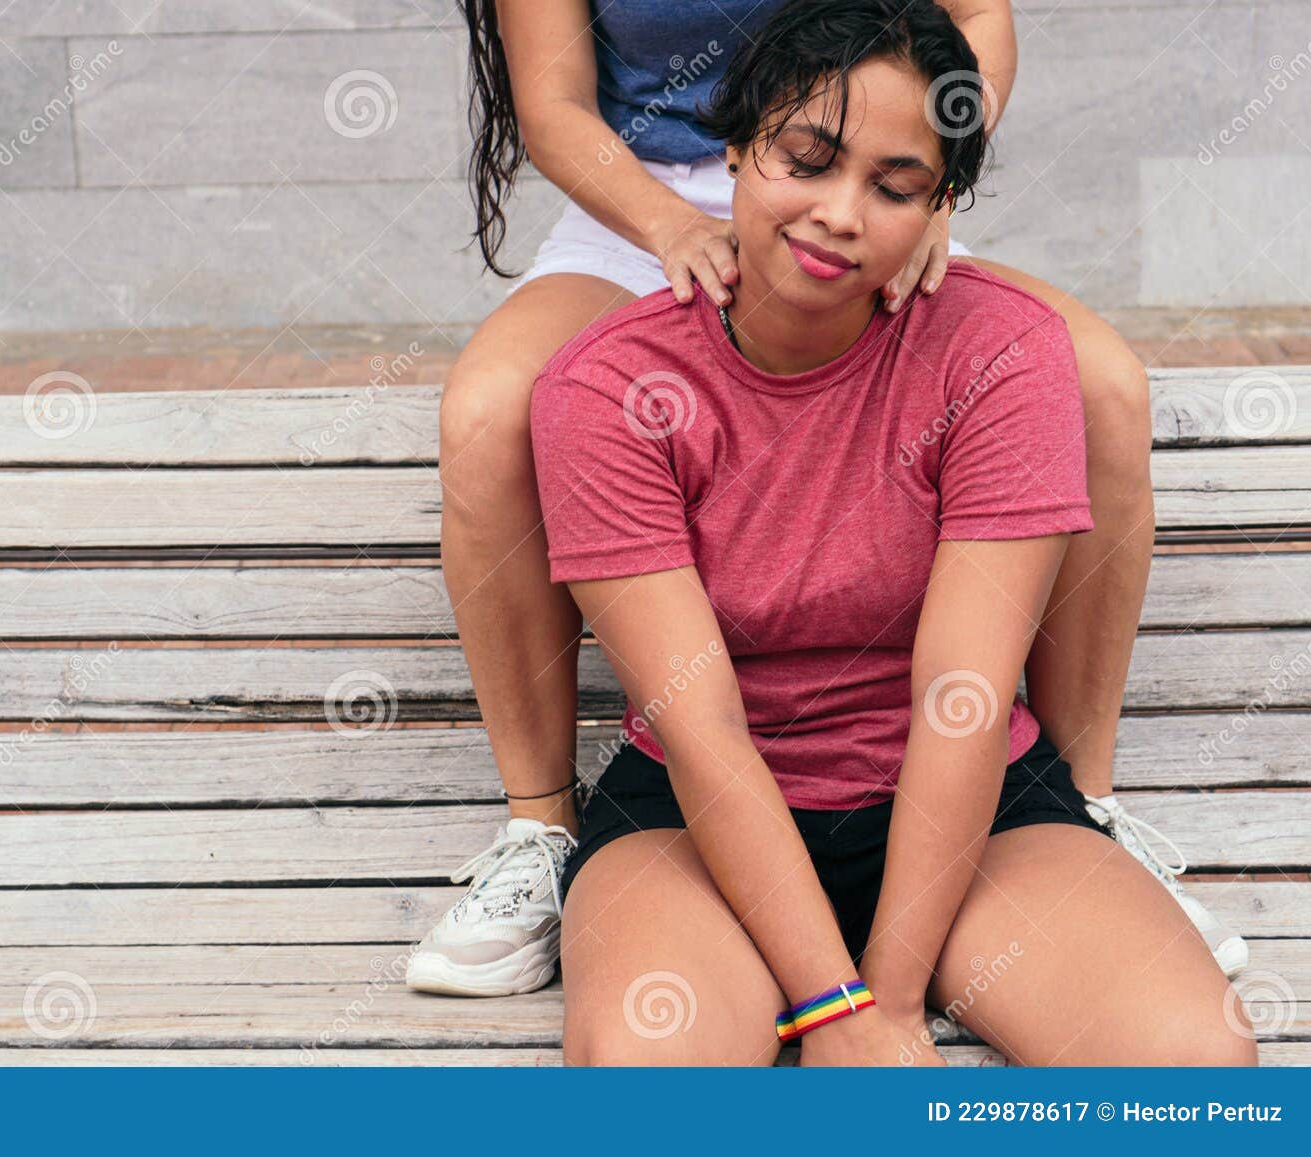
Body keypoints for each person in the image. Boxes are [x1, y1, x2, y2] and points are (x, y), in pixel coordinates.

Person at [407, 0, 1245, 999]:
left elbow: (976, 17)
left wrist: (929, 184)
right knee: (492, 411)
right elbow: (550, 103)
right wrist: (679, 227)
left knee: (1104, 387)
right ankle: (540, 822)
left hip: (861, 171)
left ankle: (1078, 802)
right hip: (647, 197)